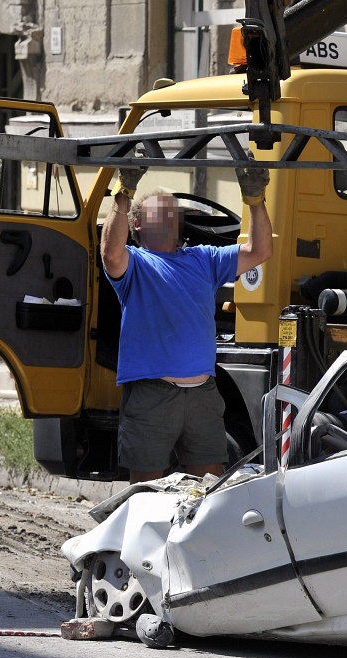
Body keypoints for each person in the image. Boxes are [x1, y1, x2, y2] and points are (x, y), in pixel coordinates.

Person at [100, 160, 272, 484]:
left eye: (173, 211)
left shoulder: (203, 258)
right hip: (153, 395)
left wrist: (255, 200)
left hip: (202, 396)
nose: (170, 215)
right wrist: (123, 193)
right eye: (159, 211)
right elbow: (110, 253)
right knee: (145, 496)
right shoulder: (134, 263)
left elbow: (260, 250)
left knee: (207, 495)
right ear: (136, 224)